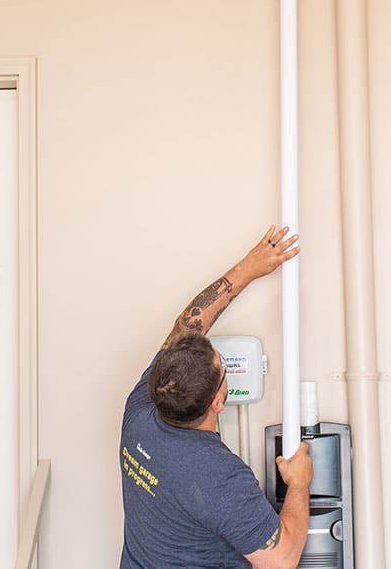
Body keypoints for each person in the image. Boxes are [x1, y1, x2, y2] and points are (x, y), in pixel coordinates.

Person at [119, 225, 314, 569]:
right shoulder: (218, 477)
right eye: (222, 367)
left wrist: (248, 269)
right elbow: (282, 559)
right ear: (217, 402)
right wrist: (298, 484)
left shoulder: (140, 413)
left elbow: (187, 327)